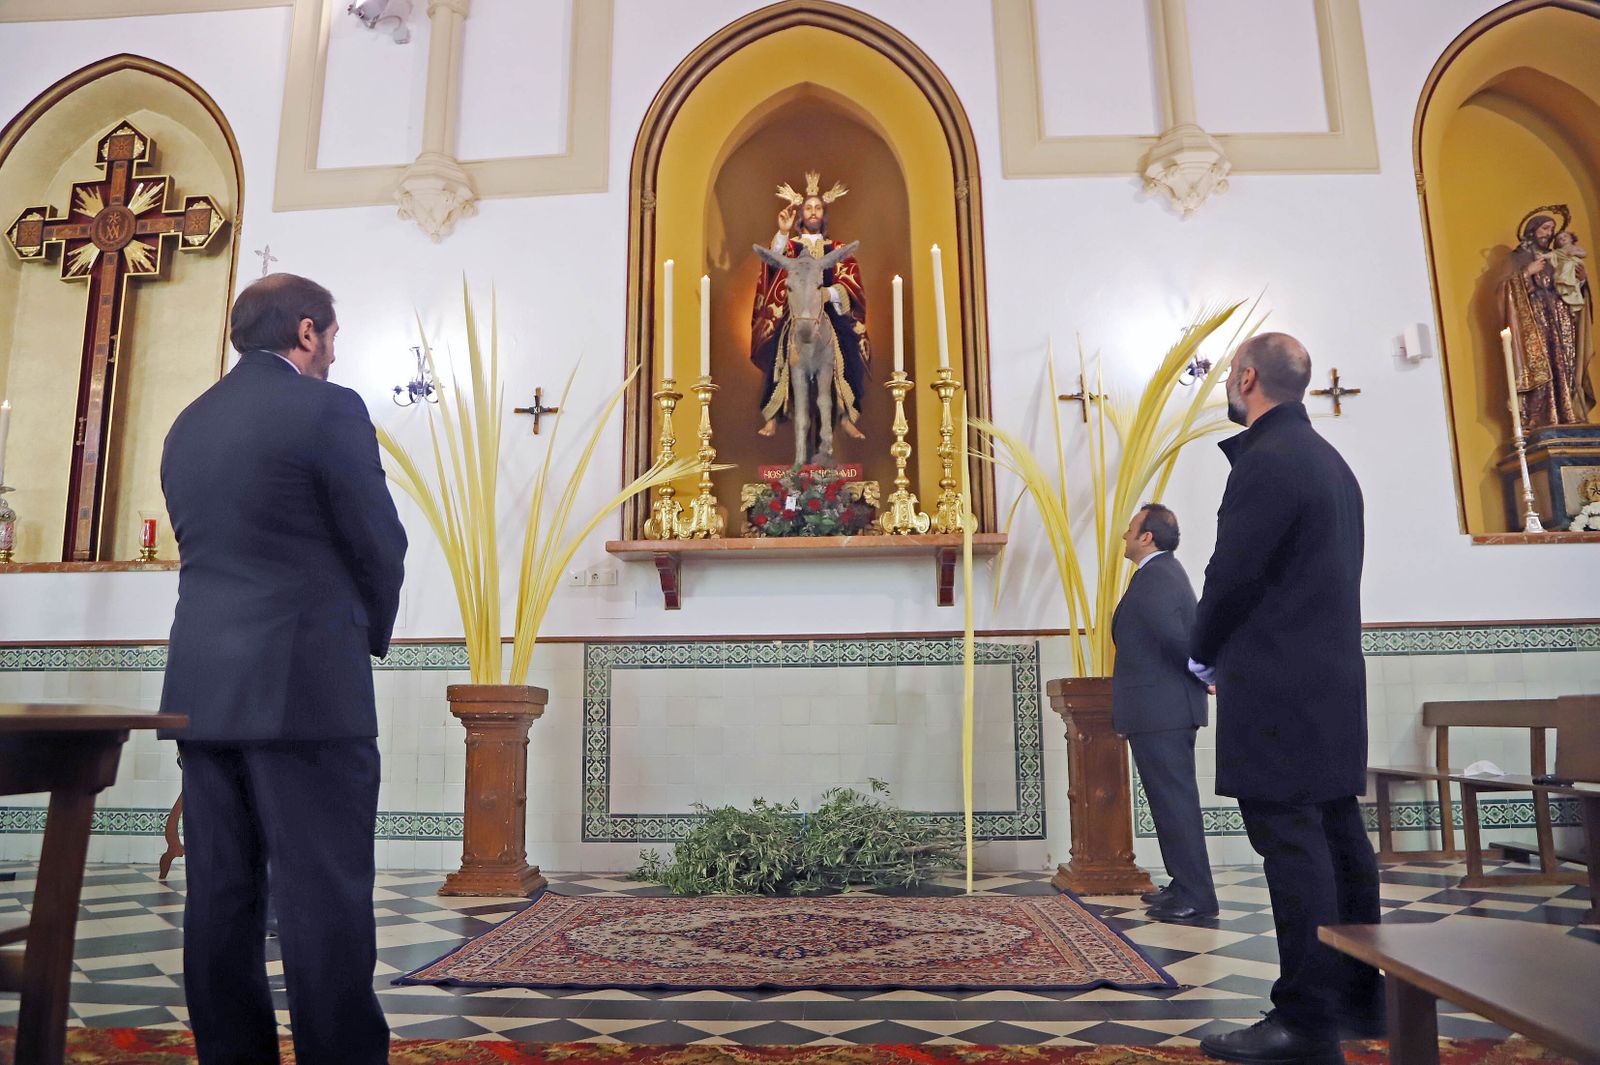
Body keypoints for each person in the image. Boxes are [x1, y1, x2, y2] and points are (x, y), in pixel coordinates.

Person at [159, 272, 407, 1065]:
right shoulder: (328, 408)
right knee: (323, 891)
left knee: (219, 894)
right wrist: (364, 635)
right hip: (306, 684)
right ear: (306, 330)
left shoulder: (187, 423)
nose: (334, 354)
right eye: (331, 337)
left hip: (202, 690)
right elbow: (380, 542)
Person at [1190, 333, 1381, 1065]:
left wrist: (1201, 648)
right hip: (1331, 680)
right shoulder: (1332, 462)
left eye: (1228, 377)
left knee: (1293, 844)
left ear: (1246, 378)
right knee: (1339, 835)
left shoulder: (1267, 461)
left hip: (1278, 684)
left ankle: (1305, 1021)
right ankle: (1360, 997)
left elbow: (1231, 573)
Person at [1111, 503, 1217, 924]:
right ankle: (1182, 884)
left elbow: (1177, 638)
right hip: (1161, 710)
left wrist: (1207, 673)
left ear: (1147, 537)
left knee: (1175, 803)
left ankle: (1197, 895)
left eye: (1130, 528)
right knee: (1169, 802)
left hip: (1163, 711)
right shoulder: (1159, 573)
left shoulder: (1157, 576)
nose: (1125, 535)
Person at [751, 170, 871, 443]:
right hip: (796, 312)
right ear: (800, 215)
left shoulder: (837, 248)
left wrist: (829, 293)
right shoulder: (790, 247)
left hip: (829, 313)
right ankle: (773, 412)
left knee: (849, 348)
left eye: (818, 207)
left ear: (824, 214)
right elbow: (772, 269)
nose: (813, 212)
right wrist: (782, 233)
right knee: (778, 345)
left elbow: (852, 285)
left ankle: (846, 415)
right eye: (808, 208)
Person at [1502, 212, 1592, 428]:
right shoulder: (1517, 257)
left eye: (1551, 229)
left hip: (1562, 317)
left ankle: (1569, 411)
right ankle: (1541, 416)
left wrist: (1580, 282)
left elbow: (1571, 287)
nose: (1549, 234)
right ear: (1532, 230)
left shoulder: (1557, 256)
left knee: (1567, 363)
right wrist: (1527, 272)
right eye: (1544, 228)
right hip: (1536, 318)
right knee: (1543, 362)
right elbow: (1505, 290)